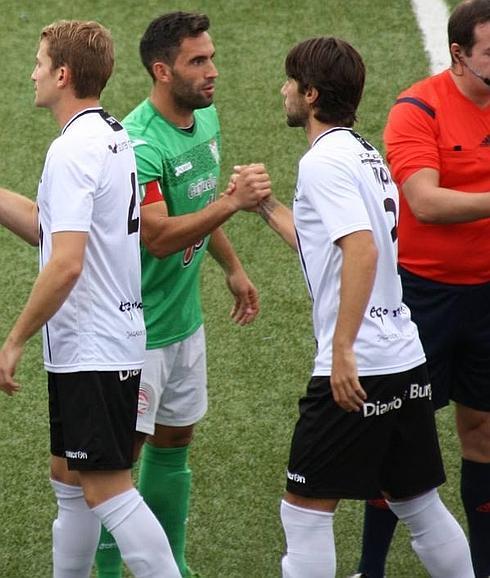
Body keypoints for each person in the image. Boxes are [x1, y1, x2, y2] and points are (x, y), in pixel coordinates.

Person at [244, 35, 475, 578]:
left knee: (303, 511)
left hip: (359, 363)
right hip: (403, 355)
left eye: (290, 83)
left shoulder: (323, 161)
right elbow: (327, 243)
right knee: (417, 503)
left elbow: (362, 250)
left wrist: (343, 349)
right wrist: (268, 207)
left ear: (312, 94)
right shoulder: (365, 154)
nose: (284, 92)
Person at [0, 20, 181, 578]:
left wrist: (13, 340)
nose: (31, 73)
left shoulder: (73, 148)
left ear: (62, 74)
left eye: (38, 62)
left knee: (109, 491)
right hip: (109, 339)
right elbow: (50, 229)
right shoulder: (110, 135)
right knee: (70, 481)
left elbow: (66, 262)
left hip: (92, 346)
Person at [95, 12, 271, 578]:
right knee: (117, 462)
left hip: (184, 322)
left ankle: (173, 563)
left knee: (175, 440)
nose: (213, 71)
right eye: (198, 62)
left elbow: (195, 205)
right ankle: (103, 571)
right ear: (162, 69)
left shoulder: (206, 117)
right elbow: (160, 236)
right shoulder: (138, 144)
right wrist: (234, 203)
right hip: (135, 333)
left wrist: (233, 266)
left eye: (211, 57)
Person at [353, 1, 490, 577]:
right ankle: (371, 568)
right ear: (458, 55)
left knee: (482, 430)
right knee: (397, 432)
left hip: (486, 298)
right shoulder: (417, 110)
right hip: (421, 296)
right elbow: (425, 202)